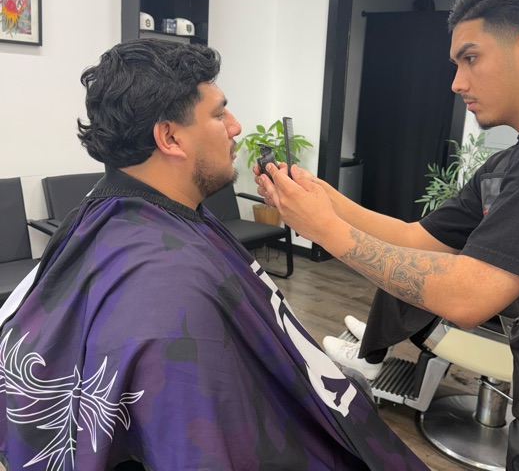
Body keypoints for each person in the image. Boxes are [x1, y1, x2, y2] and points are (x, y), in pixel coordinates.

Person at [258, 0, 519, 470]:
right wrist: (324, 199)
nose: (457, 82)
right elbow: (416, 238)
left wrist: (324, 230)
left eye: (470, 59)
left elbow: (468, 296)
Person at [0, 39, 429, 471]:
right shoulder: (170, 296)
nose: (236, 126)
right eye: (220, 114)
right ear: (170, 137)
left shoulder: (108, 211)